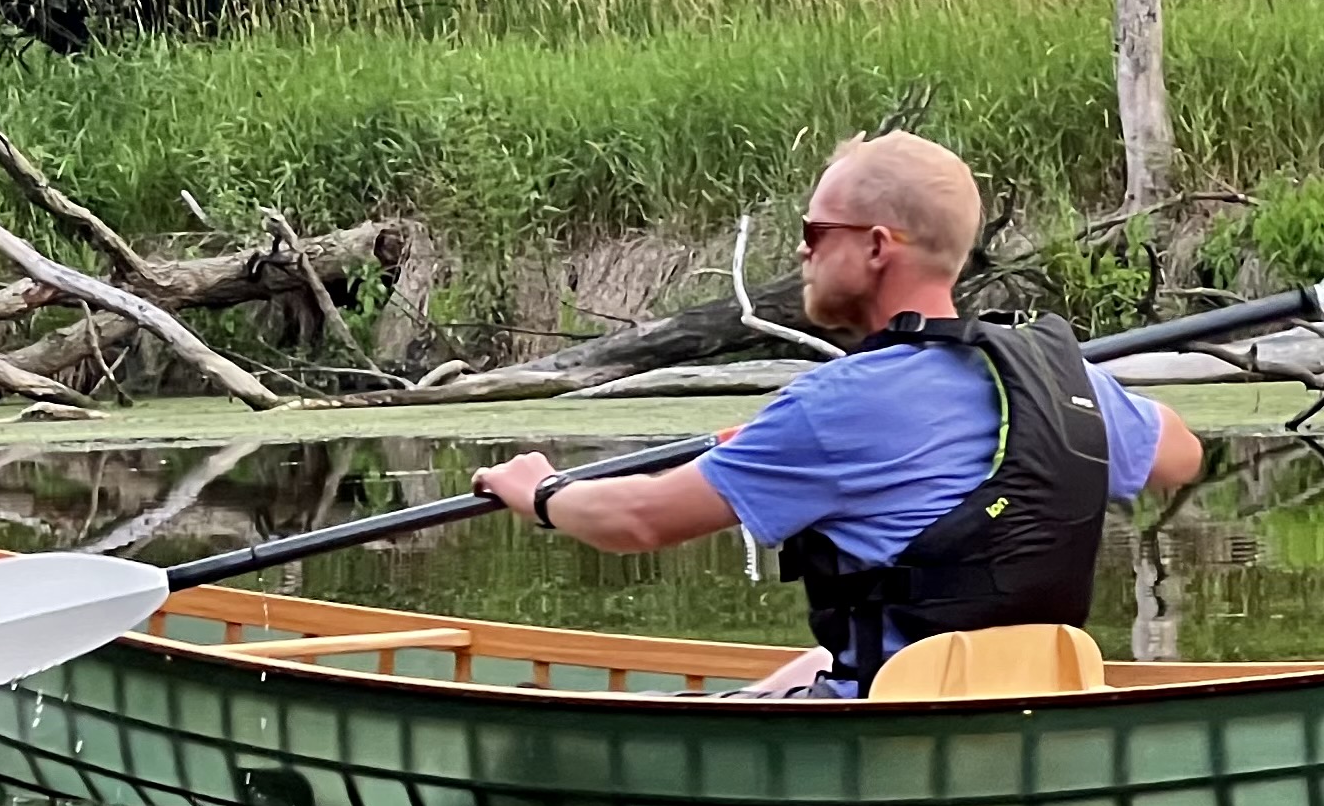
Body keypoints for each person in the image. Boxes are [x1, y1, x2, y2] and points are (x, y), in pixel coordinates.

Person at [471, 132, 1200, 697]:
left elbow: (641, 519)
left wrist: (540, 493)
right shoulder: (1053, 378)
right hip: (1032, 692)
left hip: (899, 713)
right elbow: (1179, 454)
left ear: (877, 246)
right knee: (805, 665)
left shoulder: (830, 408)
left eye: (816, 232)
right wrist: (1070, 390)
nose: (801, 249)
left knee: (806, 674)